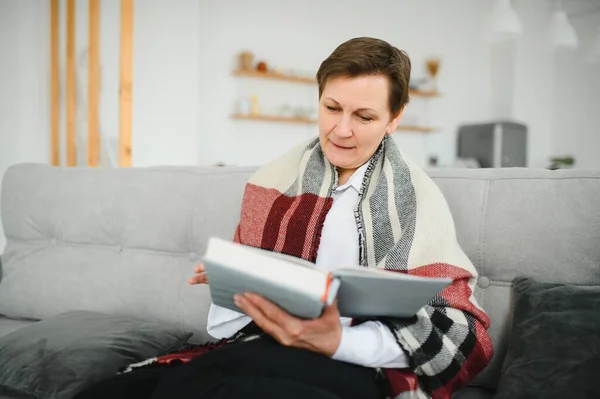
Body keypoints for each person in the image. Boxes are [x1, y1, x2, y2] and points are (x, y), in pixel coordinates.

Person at [75, 37, 493, 399]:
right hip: (263, 346)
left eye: (364, 117)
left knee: (204, 389)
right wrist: (234, 281)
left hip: (356, 364)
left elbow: (461, 330)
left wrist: (338, 341)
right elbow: (229, 327)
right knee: (113, 392)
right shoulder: (275, 181)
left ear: (394, 118)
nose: (341, 130)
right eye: (332, 107)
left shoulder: (417, 199)